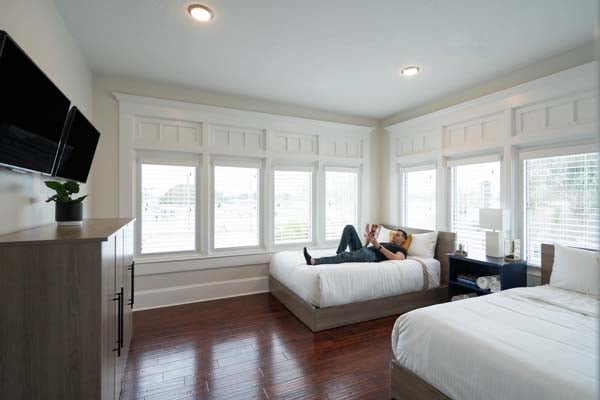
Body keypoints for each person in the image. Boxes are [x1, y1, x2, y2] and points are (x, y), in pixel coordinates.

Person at [303, 225, 408, 265]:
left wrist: (378, 246)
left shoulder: (401, 249)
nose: (394, 236)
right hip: (365, 250)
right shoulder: (388, 243)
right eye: (394, 234)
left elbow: (396, 259)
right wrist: (368, 242)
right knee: (349, 228)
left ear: (404, 239)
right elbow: (371, 247)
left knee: (346, 256)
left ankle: (314, 261)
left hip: (371, 255)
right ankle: (339, 254)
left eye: (398, 235)